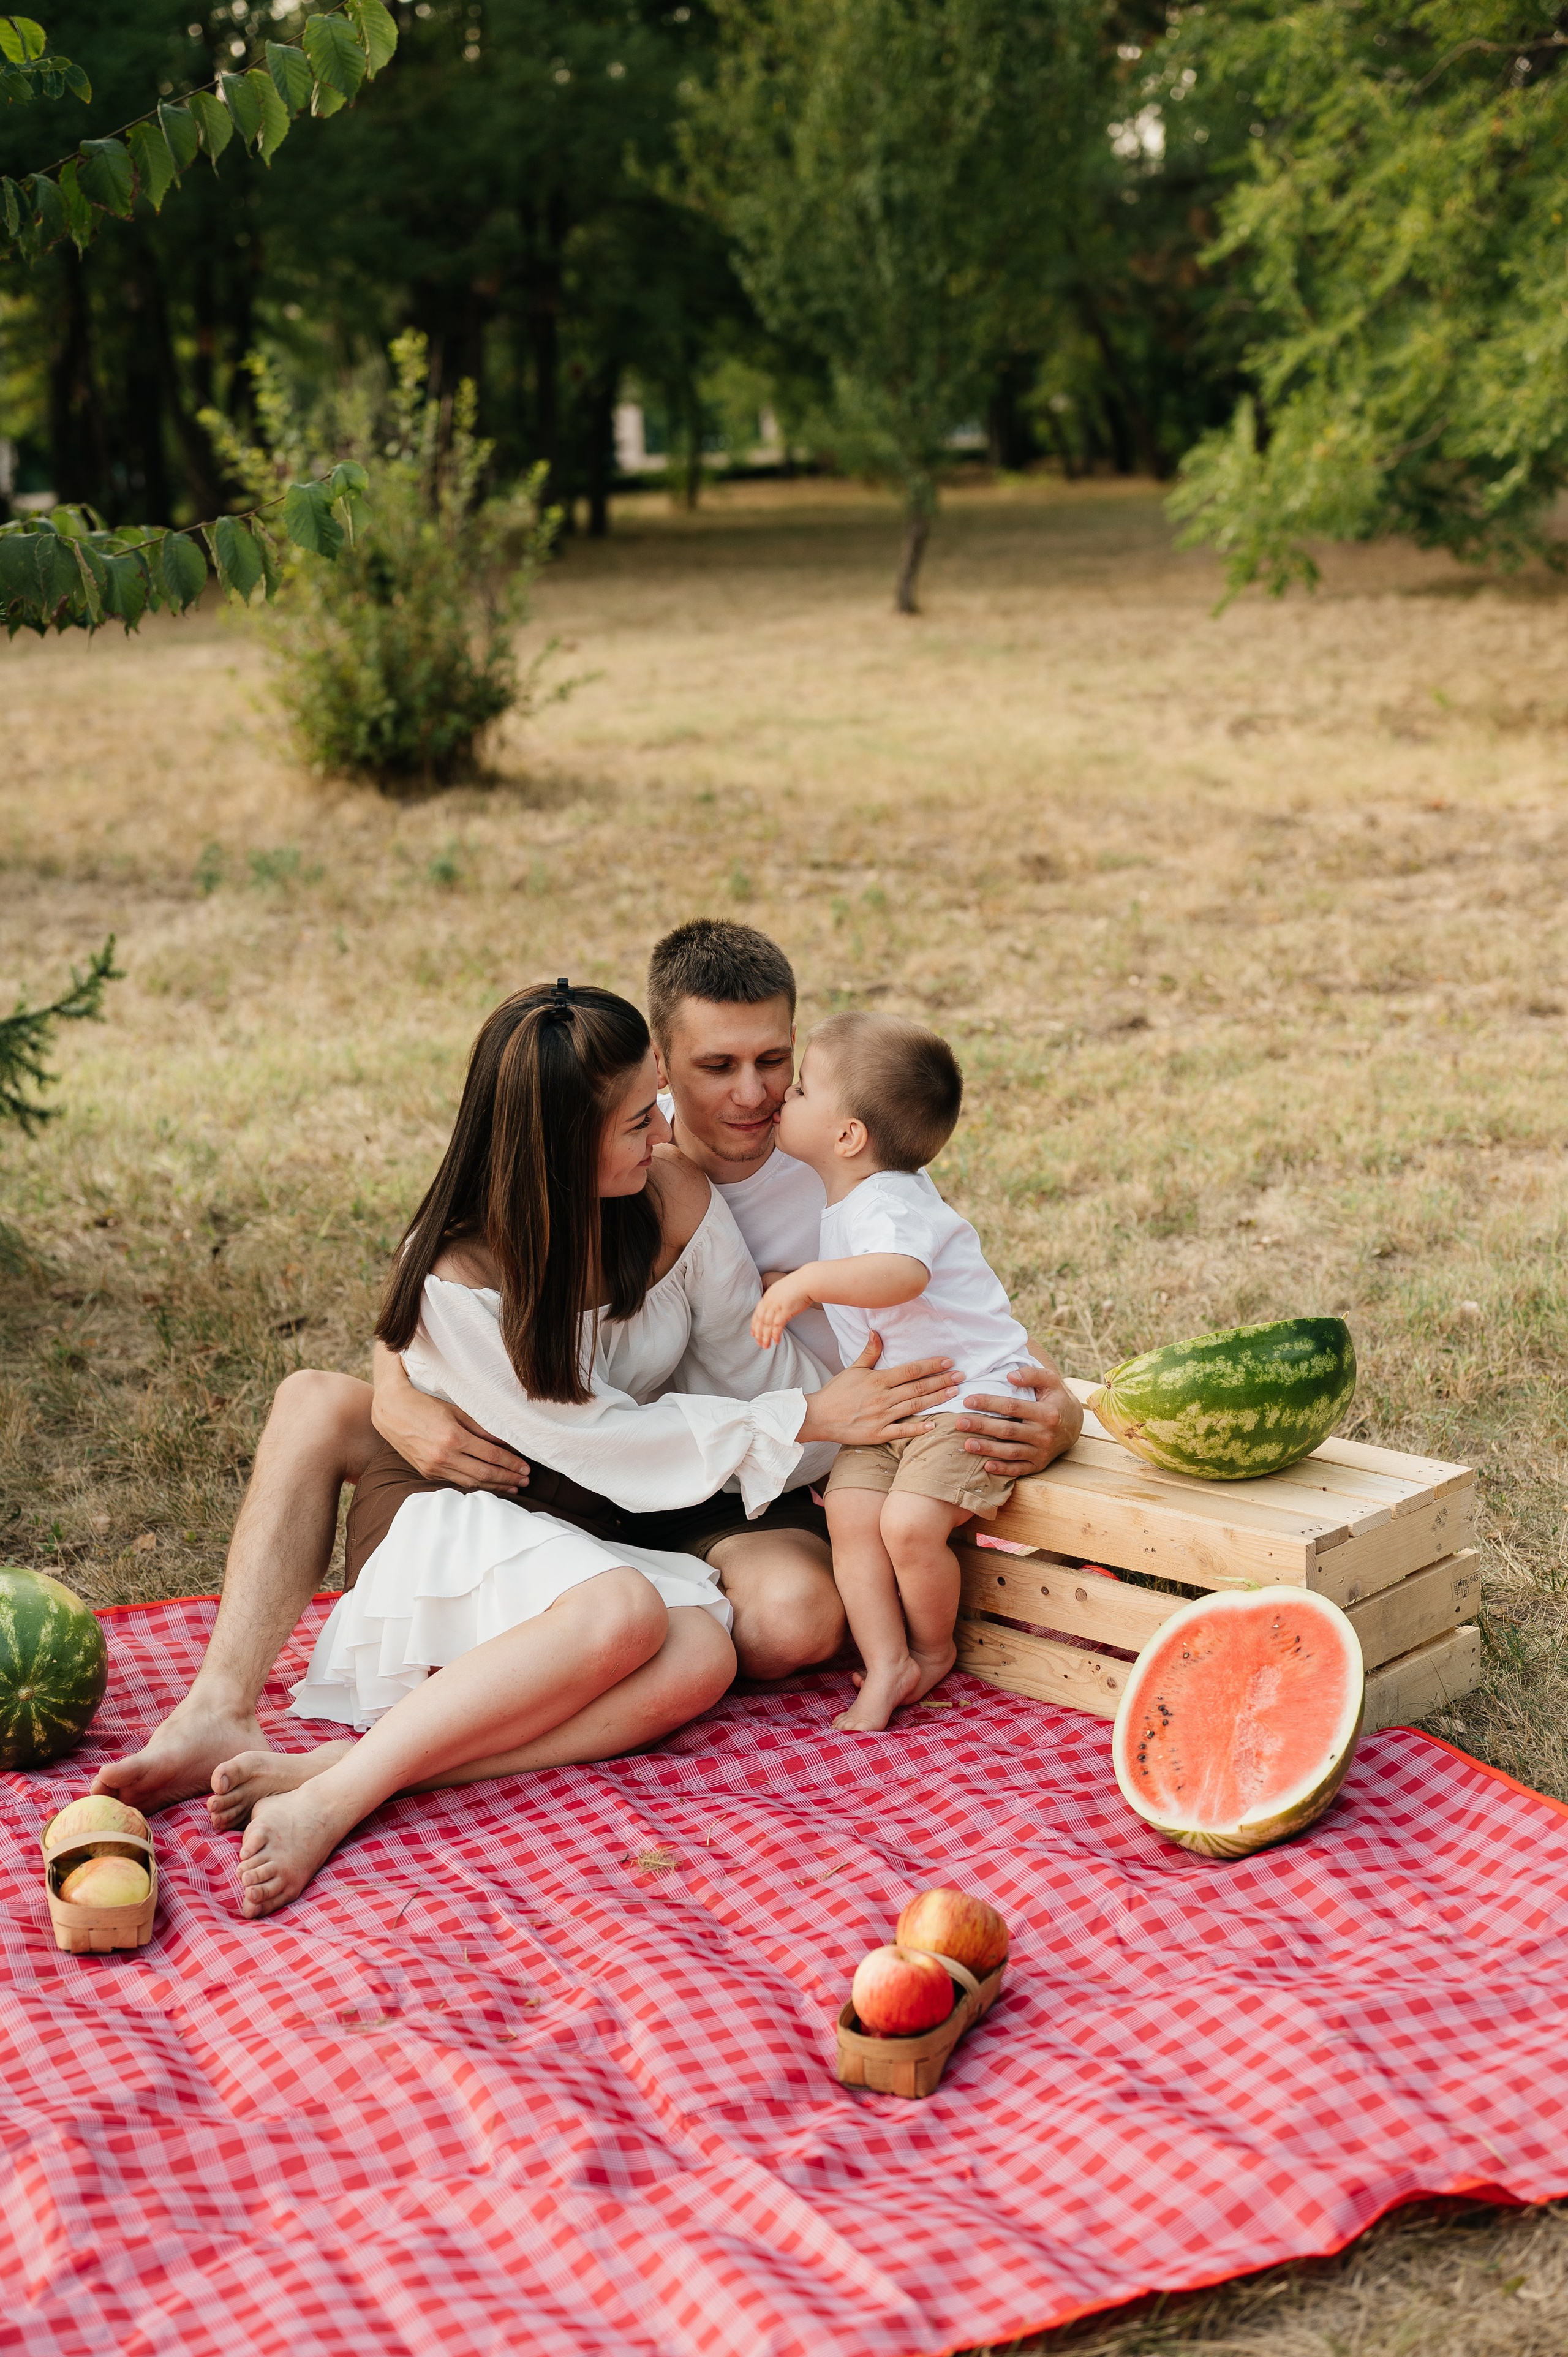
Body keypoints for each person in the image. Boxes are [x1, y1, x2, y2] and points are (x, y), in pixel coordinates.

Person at [96, 923, 1082, 1816]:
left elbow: (914, 1313)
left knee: (780, 1624)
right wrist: (395, 1385)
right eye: (697, 1076)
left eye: (777, 1064)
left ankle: (391, 1760)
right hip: (528, 1475)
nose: (749, 1096)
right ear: (643, 1080)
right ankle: (218, 1706)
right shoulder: (515, 1208)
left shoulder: (837, 1166)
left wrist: (1030, 1414)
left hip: (686, 1476)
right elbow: (494, 1355)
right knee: (317, 1401)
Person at [211, 978, 971, 1917]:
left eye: (657, 1102)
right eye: (638, 1120)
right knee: (625, 1612)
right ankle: (335, 1795)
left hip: (616, 1517)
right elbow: (598, 1440)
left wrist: (884, 1420)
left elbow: (751, 1364)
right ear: (565, 1148)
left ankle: (378, 1761)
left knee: (702, 1655)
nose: (664, 1130)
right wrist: (811, 1423)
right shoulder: (460, 1269)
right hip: (485, 1505)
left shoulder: (681, 1190)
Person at [752, 1013, 1038, 1731]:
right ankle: (886, 1663)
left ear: (848, 1136)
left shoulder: (888, 1198)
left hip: (967, 1396)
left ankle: (932, 1648)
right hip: (897, 1404)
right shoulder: (858, 1199)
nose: (782, 1093)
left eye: (802, 1087)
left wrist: (809, 1281)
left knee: (909, 1525)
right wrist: (798, 1274)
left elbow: (901, 1274)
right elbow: (869, 1268)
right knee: (850, 1517)